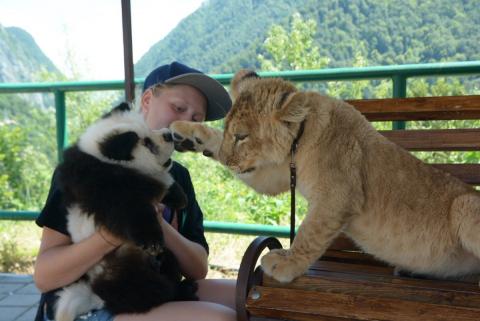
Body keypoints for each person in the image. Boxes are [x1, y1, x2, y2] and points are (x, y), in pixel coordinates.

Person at [33, 61, 236, 321]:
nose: (187, 123)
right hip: (86, 300)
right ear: (148, 99)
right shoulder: (91, 166)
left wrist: (157, 224)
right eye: (178, 108)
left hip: (153, 290)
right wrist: (113, 234)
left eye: (196, 119)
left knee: (251, 298)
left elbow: (198, 269)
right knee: (219, 318)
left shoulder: (176, 177)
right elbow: (44, 276)